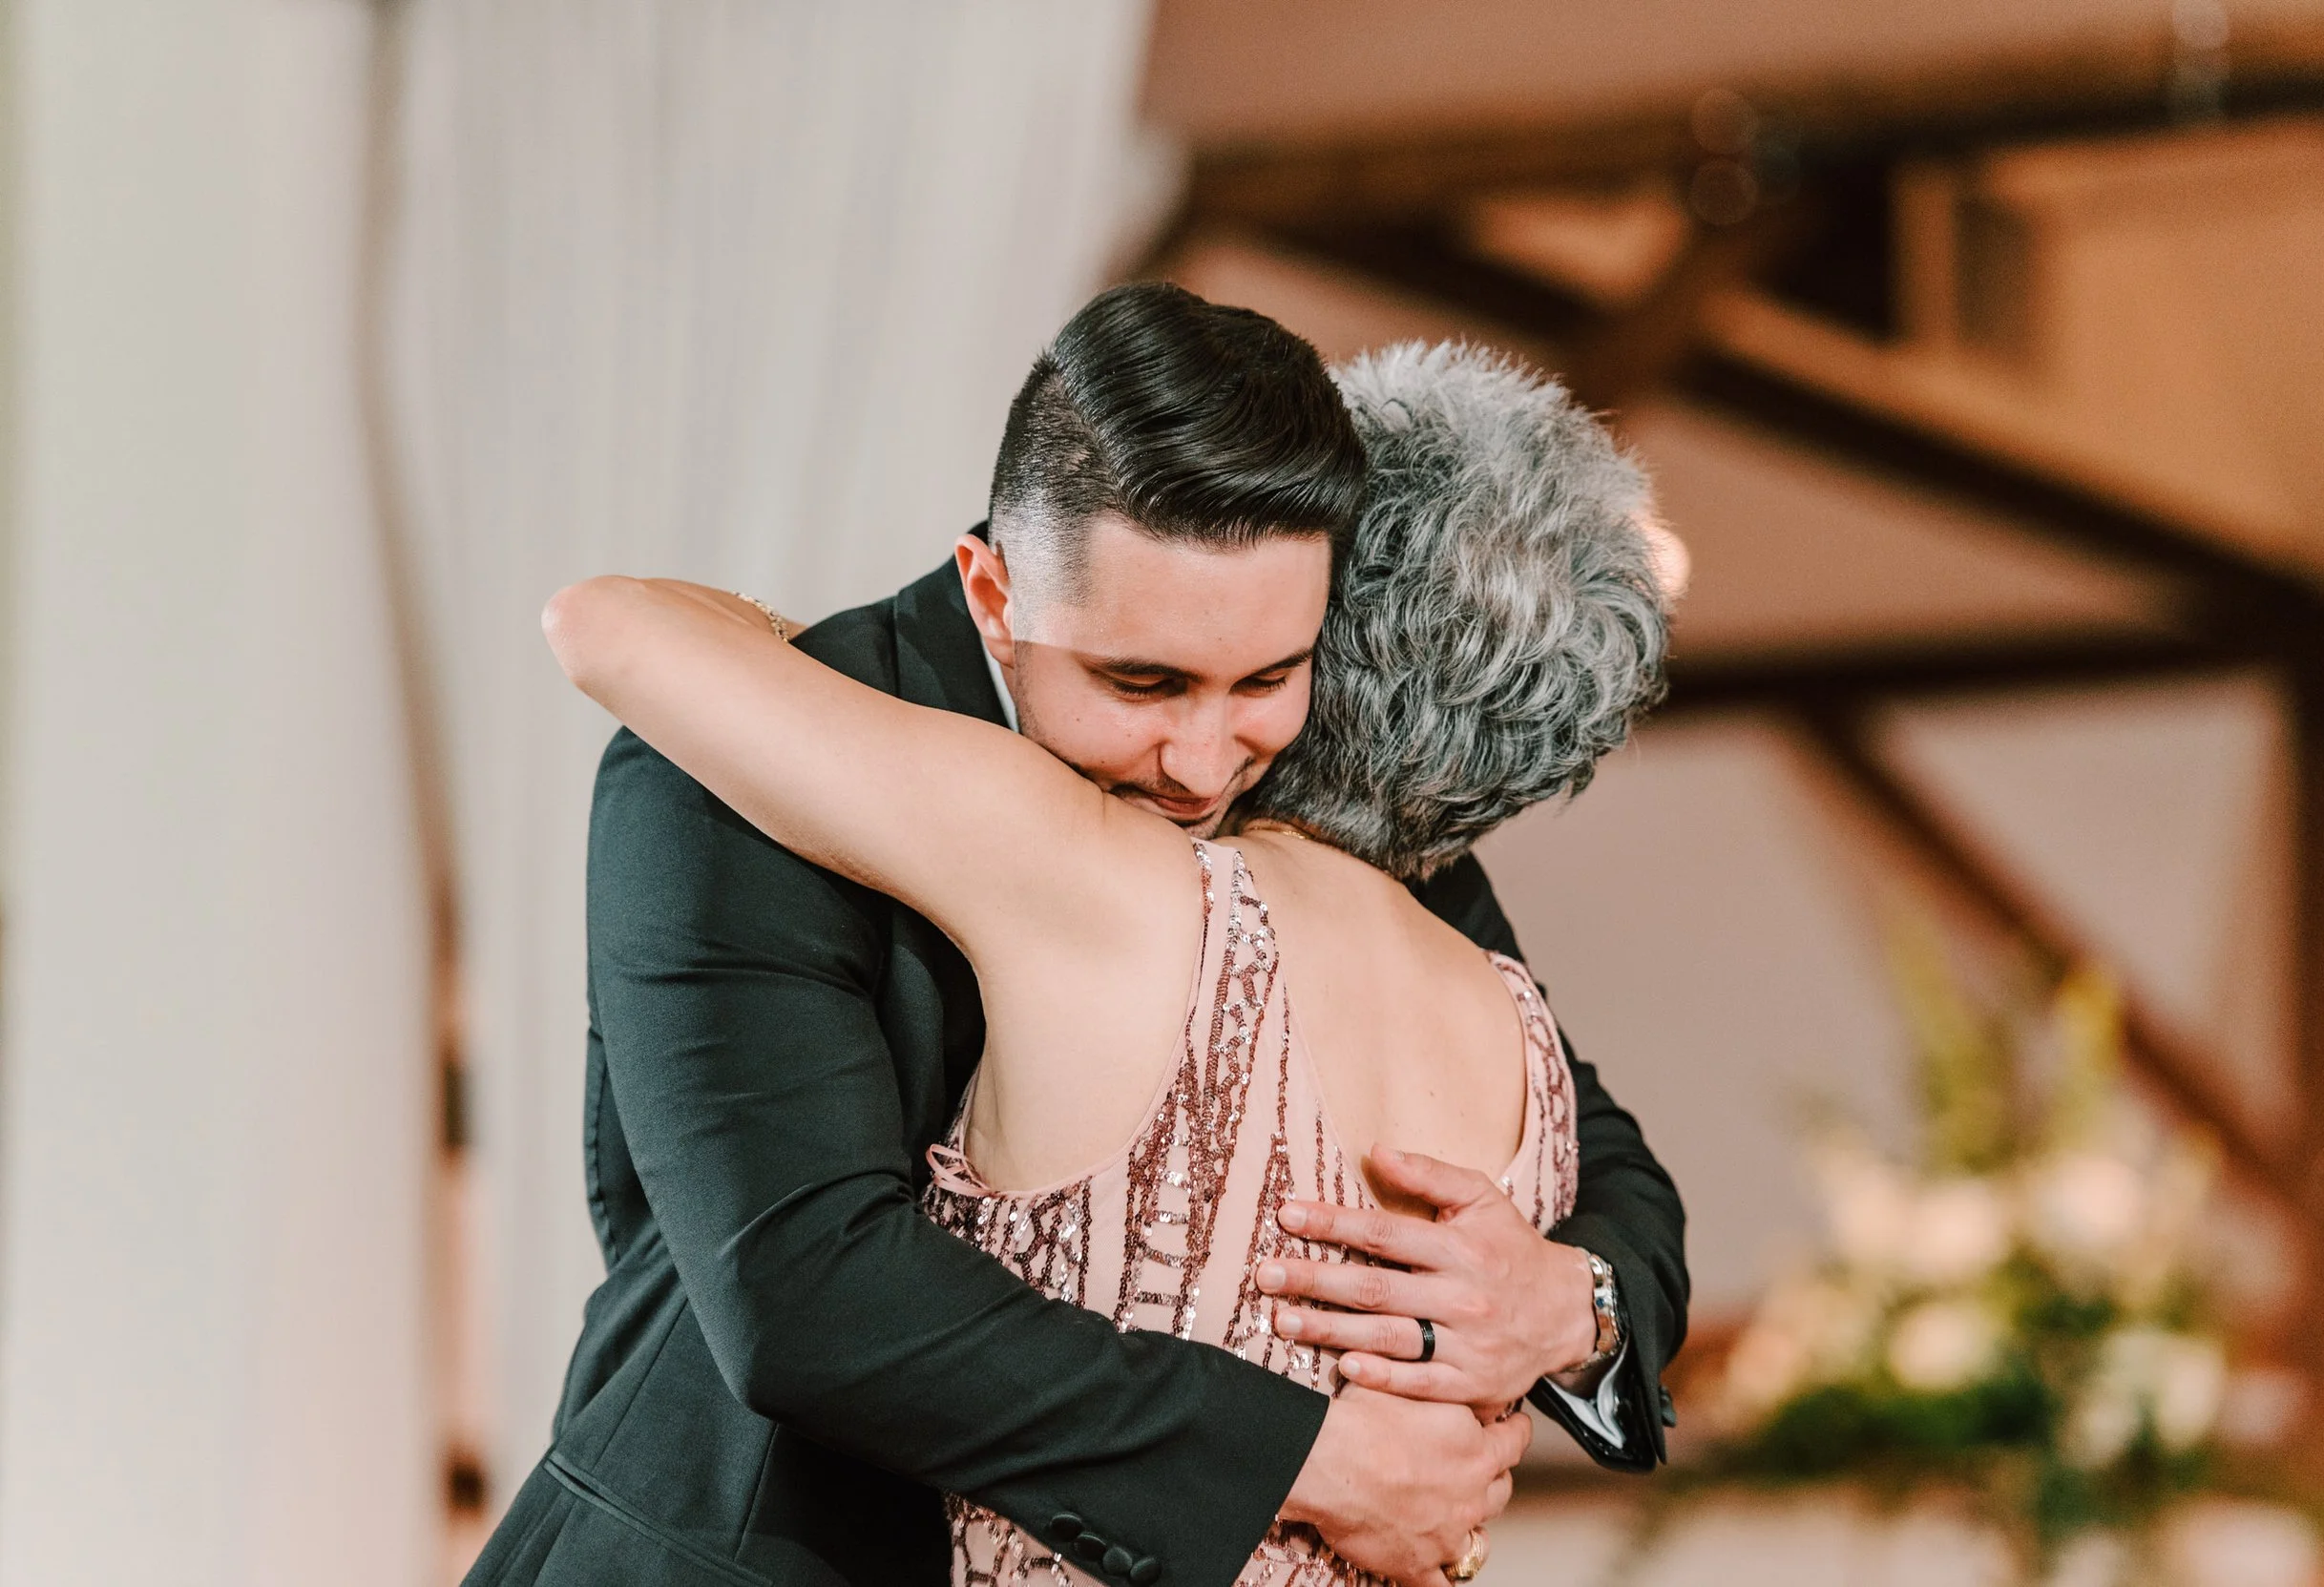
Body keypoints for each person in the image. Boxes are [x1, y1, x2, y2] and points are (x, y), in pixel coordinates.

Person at [467, 287, 1685, 1587]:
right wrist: (1313, 1465)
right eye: (1140, 683)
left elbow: (1598, 1144)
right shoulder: (732, 763)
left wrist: (1569, 1307)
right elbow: (802, 1293)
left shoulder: (1304, 773)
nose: (1205, 760)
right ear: (996, 593)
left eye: (1268, 678)